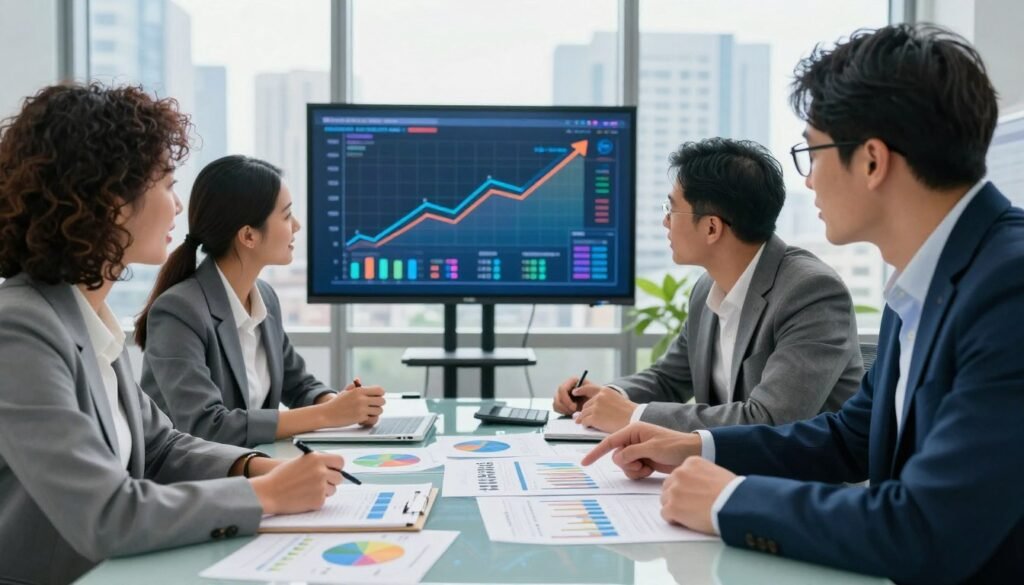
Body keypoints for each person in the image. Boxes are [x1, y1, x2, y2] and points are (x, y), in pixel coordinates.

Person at [583, 24, 1024, 583]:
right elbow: (849, 438)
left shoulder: (1009, 287)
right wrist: (697, 446)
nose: (808, 181)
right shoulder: (921, 282)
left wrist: (729, 501)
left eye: (812, 153)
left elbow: (931, 528)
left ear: (872, 161)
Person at [0, 83, 346, 584]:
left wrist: (256, 467)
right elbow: (105, 514)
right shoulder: (20, 328)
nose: (178, 206)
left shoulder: (87, 317)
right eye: (166, 184)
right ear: (111, 200)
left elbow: (160, 447)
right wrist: (265, 495)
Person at [553, 138, 862, 433]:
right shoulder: (707, 289)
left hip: (797, 470)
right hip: (724, 464)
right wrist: (607, 396)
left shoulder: (810, 292)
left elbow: (770, 420)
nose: (665, 222)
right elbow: (668, 379)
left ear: (712, 227)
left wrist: (633, 415)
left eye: (671, 210)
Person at [136, 155, 386, 447]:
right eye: (286, 215)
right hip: (191, 473)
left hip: (255, 464)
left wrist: (341, 404)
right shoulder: (178, 311)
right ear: (248, 235)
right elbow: (208, 426)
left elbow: (299, 385)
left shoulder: (264, 297)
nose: (296, 225)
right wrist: (328, 415)